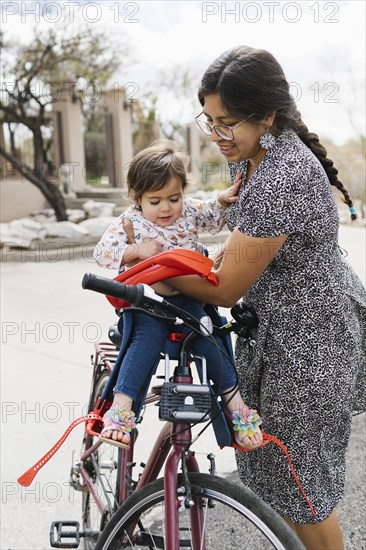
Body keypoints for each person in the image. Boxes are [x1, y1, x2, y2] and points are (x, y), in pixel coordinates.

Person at [162, 46, 366, 550]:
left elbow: (228, 286)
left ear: (267, 115)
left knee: (305, 493)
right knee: (279, 486)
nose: (216, 135)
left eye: (227, 122)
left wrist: (162, 274)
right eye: (208, 120)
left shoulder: (284, 176)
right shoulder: (253, 160)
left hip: (307, 350)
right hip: (277, 340)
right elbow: (239, 250)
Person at [93, 139, 263, 451]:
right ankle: (120, 411)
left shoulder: (188, 212)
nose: (166, 208)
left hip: (188, 299)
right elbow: (102, 253)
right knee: (144, 342)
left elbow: (210, 215)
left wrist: (223, 201)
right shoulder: (131, 222)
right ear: (138, 198)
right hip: (148, 303)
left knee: (211, 338)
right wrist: (135, 250)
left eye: (174, 198)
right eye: (155, 200)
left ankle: (237, 409)